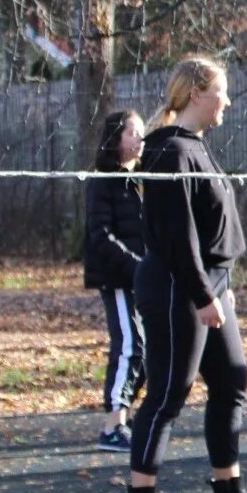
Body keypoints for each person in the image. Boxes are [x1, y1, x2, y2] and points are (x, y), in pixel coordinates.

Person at [125, 56, 247, 493]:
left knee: (231, 377)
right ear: (196, 94)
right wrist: (200, 296)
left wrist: (222, 289)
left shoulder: (195, 147)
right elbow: (177, 238)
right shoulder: (169, 152)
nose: (227, 102)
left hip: (212, 283)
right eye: (221, 92)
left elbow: (212, 232)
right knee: (169, 391)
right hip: (177, 285)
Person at [85, 109, 148, 452]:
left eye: (141, 133)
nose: (140, 140)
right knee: (129, 345)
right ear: (115, 139)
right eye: (132, 133)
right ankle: (113, 426)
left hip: (143, 278)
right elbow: (101, 235)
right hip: (119, 278)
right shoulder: (104, 181)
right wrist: (136, 267)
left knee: (152, 351)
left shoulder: (140, 180)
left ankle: (130, 414)